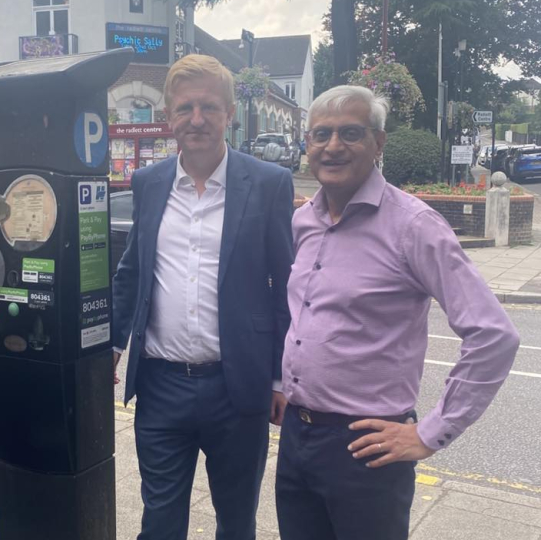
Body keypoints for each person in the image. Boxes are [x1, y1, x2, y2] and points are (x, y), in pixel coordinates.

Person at [275, 85, 520, 540]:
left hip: (368, 448)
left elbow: (494, 335)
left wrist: (430, 433)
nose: (332, 146)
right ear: (306, 144)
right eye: (320, 134)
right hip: (296, 436)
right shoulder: (303, 221)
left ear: (378, 143)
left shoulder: (413, 226)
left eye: (350, 132)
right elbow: (304, 316)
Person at [112, 54, 294, 540]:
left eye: (209, 107)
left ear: (229, 113)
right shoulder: (149, 184)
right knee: (160, 519)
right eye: (186, 108)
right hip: (161, 386)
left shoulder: (269, 184)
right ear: (169, 116)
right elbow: (131, 271)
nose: (197, 119)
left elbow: (286, 289)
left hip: (238, 389)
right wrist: (110, 348)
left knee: (236, 521)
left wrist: (279, 376)